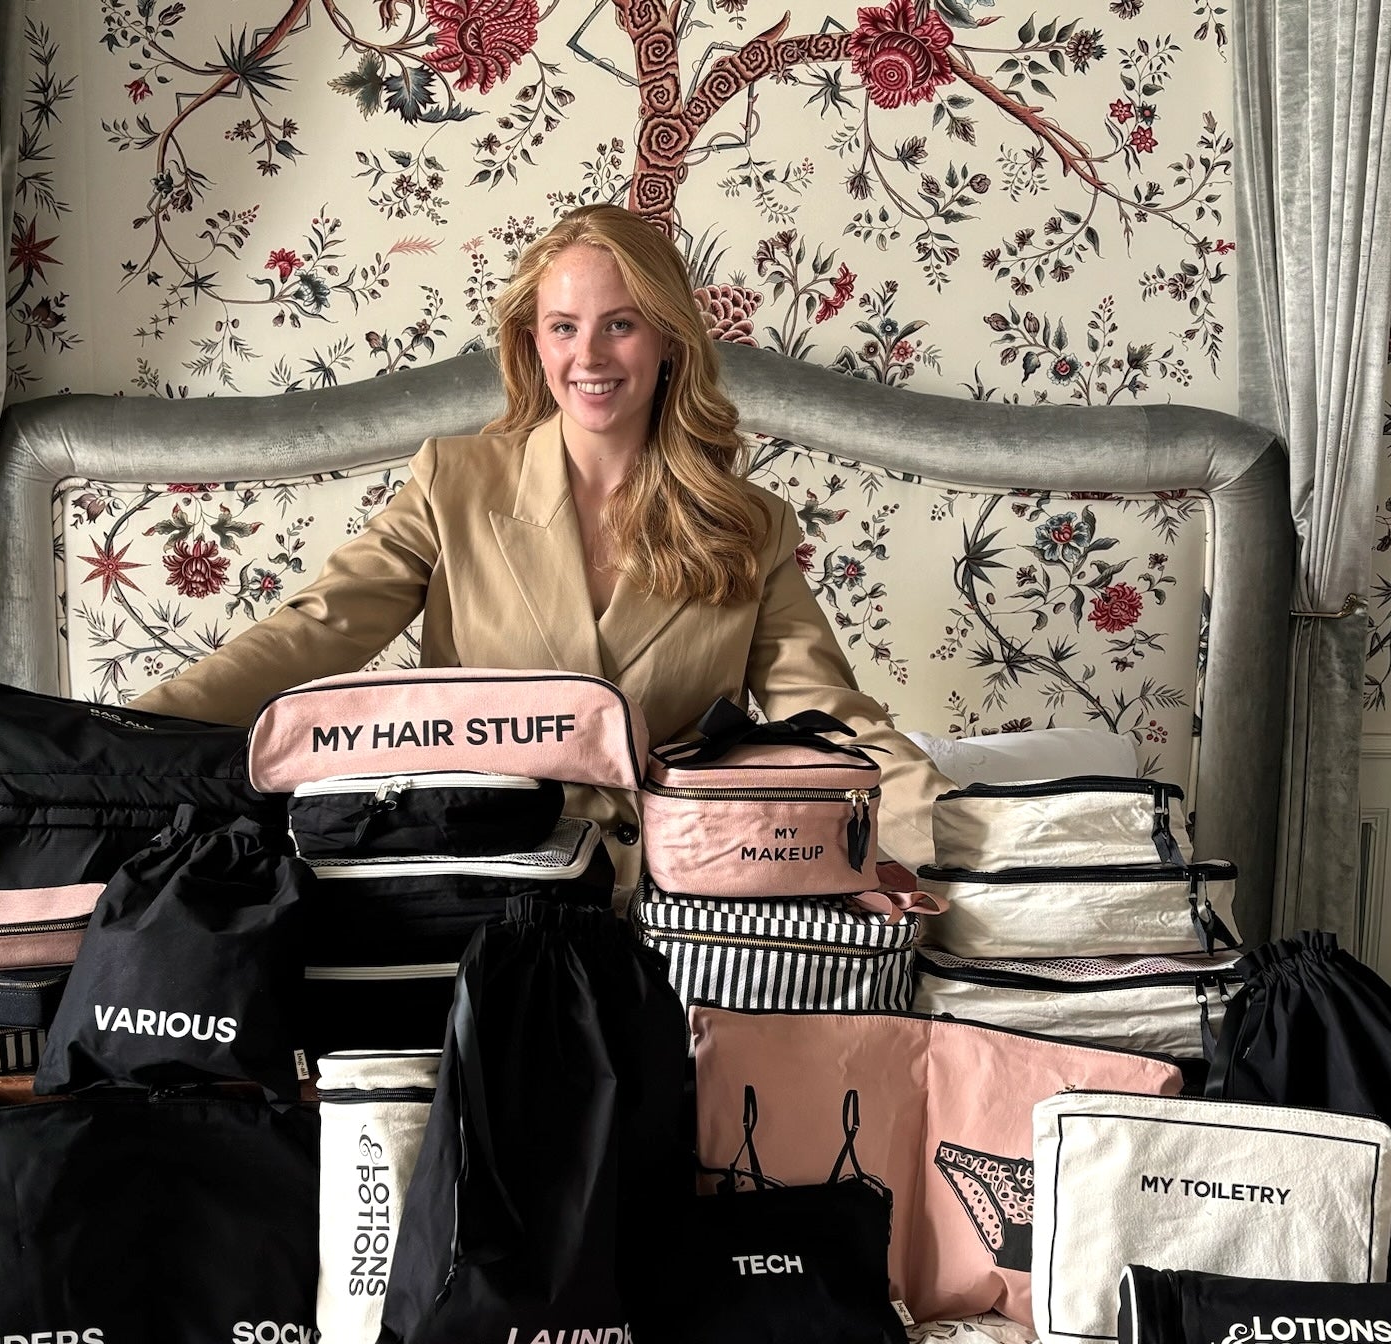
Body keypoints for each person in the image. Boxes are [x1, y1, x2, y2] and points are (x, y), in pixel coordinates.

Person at [131, 203, 952, 888]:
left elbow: (828, 717)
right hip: (473, 885)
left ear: (668, 339)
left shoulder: (749, 525)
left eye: (620, 325)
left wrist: (968, 830)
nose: (588, 356)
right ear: (533, 341)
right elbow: (316, 630)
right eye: (563, 327)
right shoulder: (454, 483)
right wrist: (124, 738)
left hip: (667, 902)